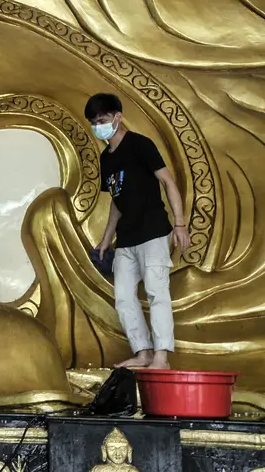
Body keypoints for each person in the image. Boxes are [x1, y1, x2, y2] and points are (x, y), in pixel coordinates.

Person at [86, 93, 188, 370]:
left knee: (157, 292)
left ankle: (161, 357)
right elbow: (117, 203)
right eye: (95, 122)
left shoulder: (140, 145)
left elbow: (168, 182)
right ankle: (142, 353)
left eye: (103, 120)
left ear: (118, 117)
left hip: (153, 231)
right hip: (126, 238)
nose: (99, 126)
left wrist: (180, 224)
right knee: (123, 297)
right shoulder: (106, 158)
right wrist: (106, 239)